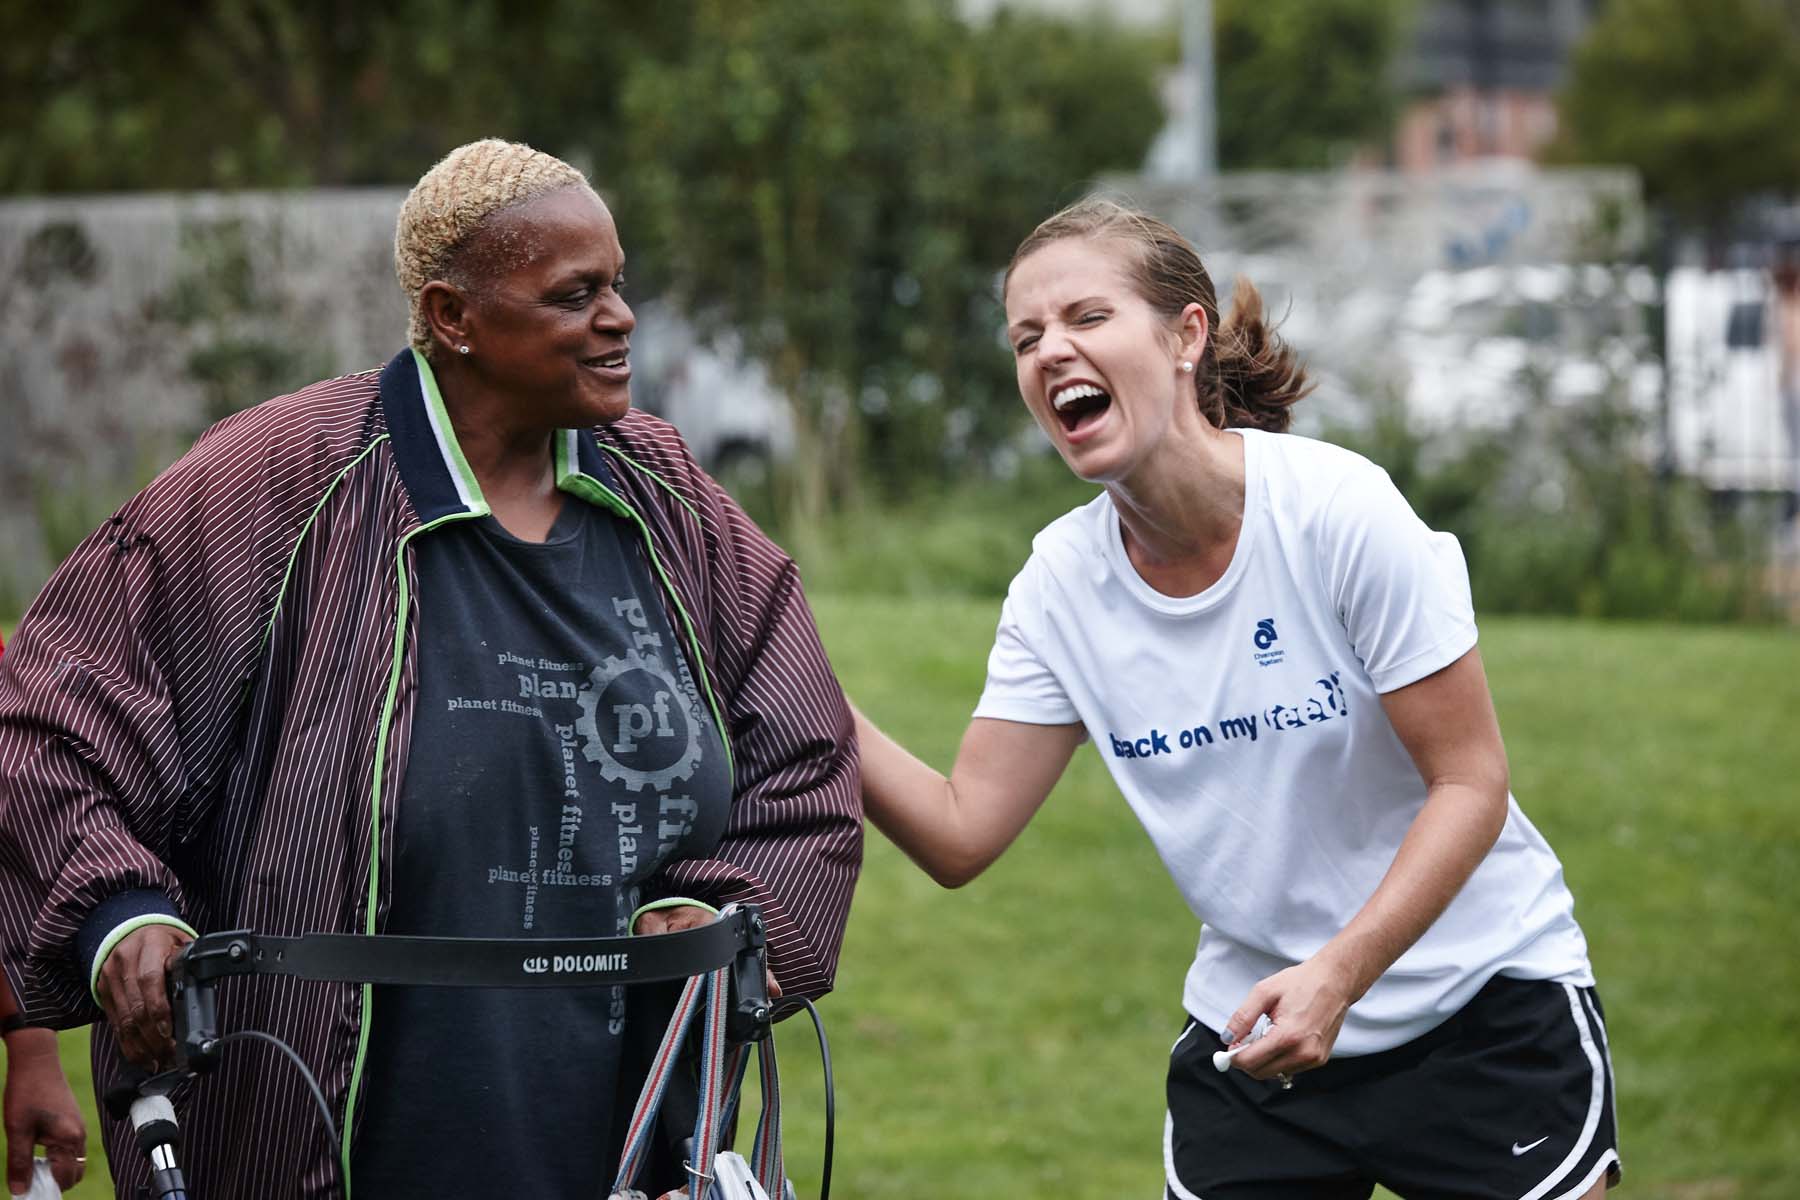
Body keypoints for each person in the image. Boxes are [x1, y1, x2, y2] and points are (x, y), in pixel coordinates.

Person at [0, 139, 861, 1198]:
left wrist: (724, 910)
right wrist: (119, 918)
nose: (620, 317)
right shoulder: (276, 483)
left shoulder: (673, 503)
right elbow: (48, 728)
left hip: (618, 1143)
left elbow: (804, 759)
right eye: (574, 293)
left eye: (618, 284)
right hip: (309, 1139)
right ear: (454, 317)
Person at [853, 198, 1619, 1200]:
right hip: (1258, 1037)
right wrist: (784, 678)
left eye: (1087, 317)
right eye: (1026, 337)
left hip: (1478, 1008)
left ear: (1186, 333)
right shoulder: (1057, 589)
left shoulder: (1336, 513)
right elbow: (960, 832)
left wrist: (1340, 975)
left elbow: (1471, 783)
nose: (1051, 352)